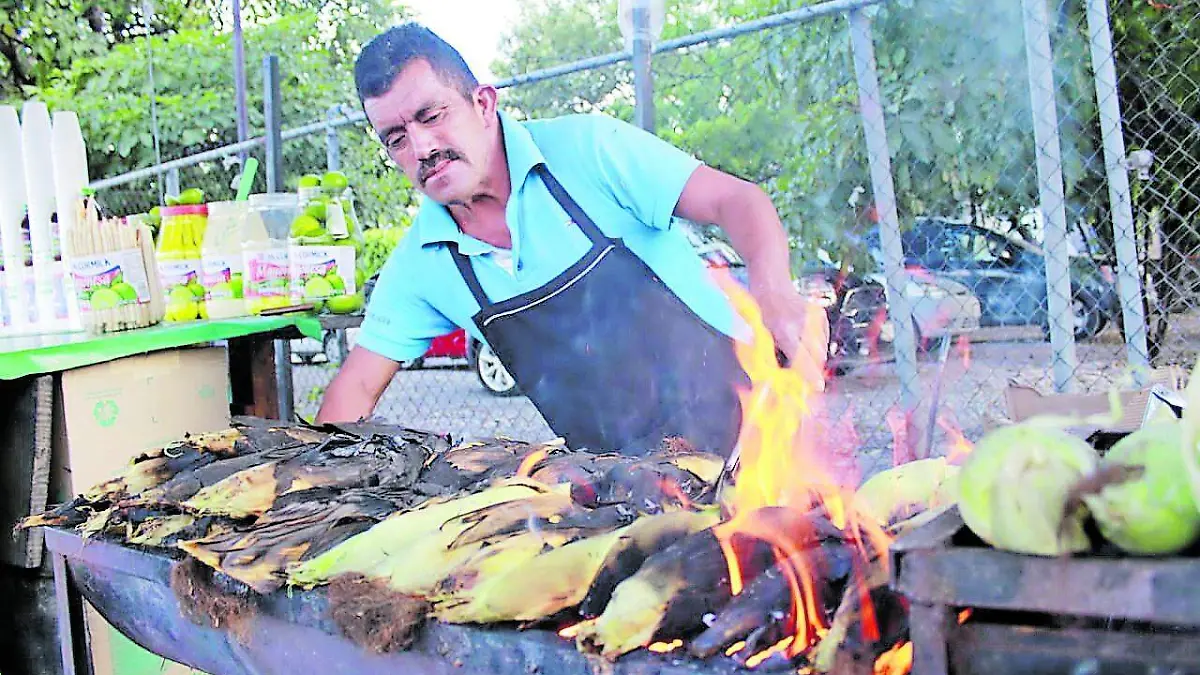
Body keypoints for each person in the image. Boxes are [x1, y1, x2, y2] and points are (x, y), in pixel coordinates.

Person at [316, 23, 828, 458]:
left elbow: (736, 201)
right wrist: (311, 484)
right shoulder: (422, 264)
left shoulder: (589, 150)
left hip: (758, 443)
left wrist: (774, 292)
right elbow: (357, 386)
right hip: (625, 497)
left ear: (483, 103)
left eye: (431, 116)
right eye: (396, 138)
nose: (422, 147)